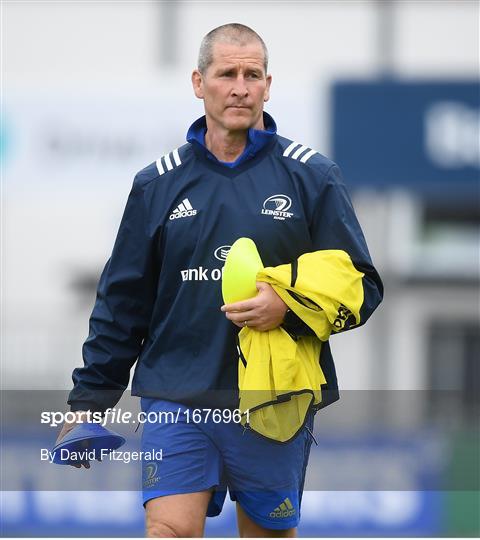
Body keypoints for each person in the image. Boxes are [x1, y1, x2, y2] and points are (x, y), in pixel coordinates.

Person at [58, 23, 383, 537]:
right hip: (176, 394)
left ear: (267, 86)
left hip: (274, 398)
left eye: (252, 74)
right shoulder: (156, 184)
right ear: (198, 82)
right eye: (226, 73)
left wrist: (289, 307)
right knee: (168, 530)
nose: (240, 86)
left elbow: (362, 286)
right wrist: (88, 404)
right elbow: (122, 305)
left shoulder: (312, 177)